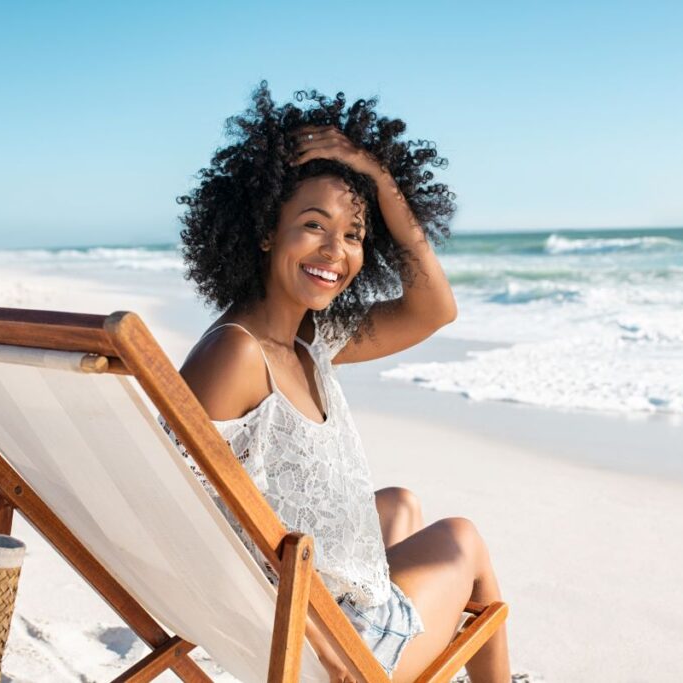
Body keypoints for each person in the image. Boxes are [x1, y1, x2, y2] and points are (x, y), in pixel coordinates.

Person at [161, 82, 511, 683]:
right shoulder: (236, 355)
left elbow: (434, 309)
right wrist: (322, 640)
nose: (336, 251)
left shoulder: (307, 339)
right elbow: (197, 524)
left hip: (312, 604)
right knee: (463, 539)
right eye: (314, 226)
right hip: (318, 641)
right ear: (267, 230)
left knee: (400, 503)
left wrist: (380, 182)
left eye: (353, 235)